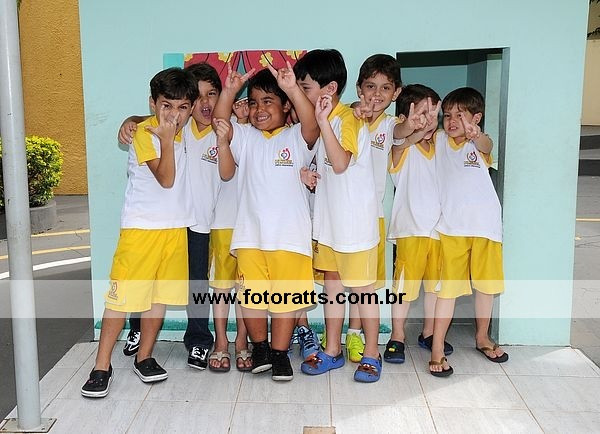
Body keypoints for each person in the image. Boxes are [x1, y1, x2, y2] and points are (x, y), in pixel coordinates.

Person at [116, 63, 252, 372]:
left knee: (197, 285)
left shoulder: (226, 130)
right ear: (188, 103)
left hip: (201, 224)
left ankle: (199, 339)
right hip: (169, 222)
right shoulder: (180, 126)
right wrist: (130, 121)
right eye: (198, 96)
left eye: (212, 94)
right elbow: (150, 121)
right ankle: (137, 328)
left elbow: (230, 169)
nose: (205, 102)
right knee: (148, 279)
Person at [81, 67, 198, 398]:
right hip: (141, 231)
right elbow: (166, 178)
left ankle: (144, 357)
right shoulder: (146, 134)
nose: (174, 115)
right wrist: (161, 136)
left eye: (182, 107)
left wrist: (137, 121)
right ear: (153, 104)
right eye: (166, 105)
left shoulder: (186, 131)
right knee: (120, 300)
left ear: (191, 108)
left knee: (158, 299)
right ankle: (101, 366)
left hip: (174, 229)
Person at [213, 64, 320, 381]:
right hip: (250, 237)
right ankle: (260, 347)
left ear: (286, 106)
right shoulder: (246, 137)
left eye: (268, 101)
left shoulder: (296, 137)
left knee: (287, 302)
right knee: (252, 298)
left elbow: (312, 123)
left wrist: (292, 88)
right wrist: (229, 92)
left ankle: (279, 353)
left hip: (290, 239)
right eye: (254, 102)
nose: (259, 109)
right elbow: (220, 122)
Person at [293, 49, 382, 383]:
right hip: (329, 226)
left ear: (329, 89)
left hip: (355, 228)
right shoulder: (323, 121)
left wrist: (323, 122)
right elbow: (327, 168)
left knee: (363, 291)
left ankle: (371, 353)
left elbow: (341, 162)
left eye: (305, 88)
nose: (302, 94)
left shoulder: (348, 119)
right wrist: (308, 173)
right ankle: (333, 349)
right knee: (332, 286)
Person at [430, 86, 507, 377]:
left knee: (485, 286)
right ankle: (437, 347)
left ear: (476, 118)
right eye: (448, 115)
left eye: (459, 116)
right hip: (451, 229)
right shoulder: (439, 140)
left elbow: (487, 145)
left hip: (486, 227)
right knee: (447, 290)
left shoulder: (478, 144)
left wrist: (477, 135)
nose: (451, 121)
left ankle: (482, 337)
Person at [384, 84, 455, 364]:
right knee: (404, 289)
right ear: (404, 118)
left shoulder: (441, 147)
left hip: (440, 232)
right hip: (410, 230)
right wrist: (414, 131)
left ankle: (429, 332)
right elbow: (399, 142)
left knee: (435, 289)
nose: (428, 119)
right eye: (422, 113)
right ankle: (397, 335)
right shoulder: (402, 148)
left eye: (433, 113)